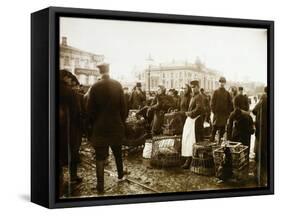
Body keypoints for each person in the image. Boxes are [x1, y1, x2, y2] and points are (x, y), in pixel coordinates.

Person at [86, 63, 127, 194]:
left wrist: (93, 125)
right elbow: (124, 108)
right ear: (109, 70)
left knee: (99, 158)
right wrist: (120, 121)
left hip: (100, 128)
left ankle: (100, 186)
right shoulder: (117, 85)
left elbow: (89, 110)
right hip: (116, 126)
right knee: (118, 153)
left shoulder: (94, 87)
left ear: (99, 72)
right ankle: (120, 176)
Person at [59, 70, 82, 196]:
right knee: (72, 153)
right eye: (69, 78)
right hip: (69, 129)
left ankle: (58, 182)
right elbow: (76, 113)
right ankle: (72, 177)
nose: (70, 81)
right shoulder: (69, 92)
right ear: (65, 78)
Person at [181, 80, 204, 169]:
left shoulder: (199, 97)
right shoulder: (194, 96)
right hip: (191, 121)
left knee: (193, 140)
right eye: (192, 87)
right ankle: (189, 158)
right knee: (188, 139)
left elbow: (199, 109)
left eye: (194, 87)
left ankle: (191, 160)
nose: (192, 89)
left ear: (198, 87)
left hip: (196, 122)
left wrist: (189, 113)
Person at [210, 77, 233, 143]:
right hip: (217, 114)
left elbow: (230, 104)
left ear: (225, 83)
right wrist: (214, 111)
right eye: (220, 82)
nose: (221, 83)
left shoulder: (227, 93)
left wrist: (228, 113)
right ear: (219, 83)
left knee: (222, 130)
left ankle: (220, 143)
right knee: (214, 130)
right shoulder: (215, 92)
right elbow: (212, 103)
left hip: (224, 115)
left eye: (223, 82)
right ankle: (212, 143)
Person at [252, 86, 268, 186]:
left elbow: (254, 110)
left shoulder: (263, 98)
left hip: (262, 129)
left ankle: (259, 177)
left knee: (260, 151)